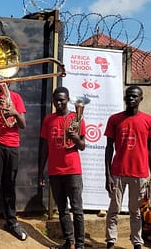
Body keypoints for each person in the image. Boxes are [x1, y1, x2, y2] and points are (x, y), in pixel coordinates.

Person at [104, 85, 151, 249]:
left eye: (134, 96)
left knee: (136, 211)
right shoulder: (114, 119)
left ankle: (137, 243)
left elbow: (150, 148)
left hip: (140, 175)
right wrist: (108, 175)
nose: (131, 99)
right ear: (124, 98)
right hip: (118, 172)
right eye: (128, 96)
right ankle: (111, 241)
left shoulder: (148, 120)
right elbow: (109, 148)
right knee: (113, 210)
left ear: (141, 99)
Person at [38, 86, 86, 249]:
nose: (59, 103)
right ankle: (69, 242)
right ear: (53, 101)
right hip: (54, 171)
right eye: (56, 100)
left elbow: (82, 146)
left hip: (73, 170)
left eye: (62, 100)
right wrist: (40, 172)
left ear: (68, 99)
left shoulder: (76, 118)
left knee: (77, 209)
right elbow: (44, 148)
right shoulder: (48, 120)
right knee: (62, 209)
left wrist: (76, 138)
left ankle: (80, 245)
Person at [0, 77, 28, 241]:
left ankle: (11, 221)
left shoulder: (16, 97)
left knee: (10, 183)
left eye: (7, 78)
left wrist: (14, 112)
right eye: (1, 78)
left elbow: (22, 124)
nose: (5, 82)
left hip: (13, 145)